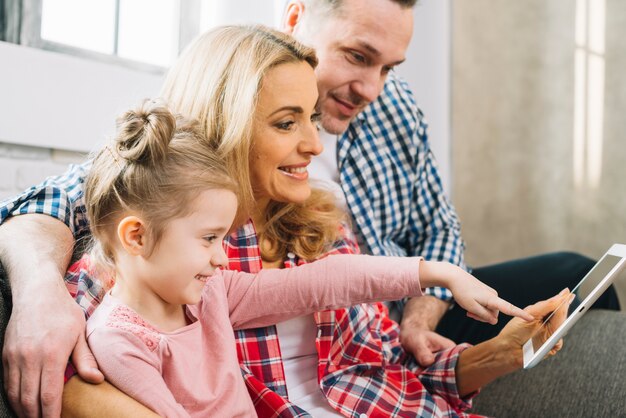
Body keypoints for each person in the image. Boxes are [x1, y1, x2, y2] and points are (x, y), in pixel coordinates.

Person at [0, 17, 622, 418]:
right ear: (228, 122)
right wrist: (34, 291)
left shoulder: (322, 227)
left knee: (570, 268)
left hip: (399, 405)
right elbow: (64, 209)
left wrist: (495, 353)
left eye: (311, 119)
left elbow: (385, 360)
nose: (316, 145)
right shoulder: (165, 252)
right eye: (286, 122)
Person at [82, 99, 521, 417]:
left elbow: (326, 280)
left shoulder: (213, 293)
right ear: (136, 237)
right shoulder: (119, 341)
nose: (221, 257)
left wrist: (439, 272)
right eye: (209, 238)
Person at [280, 0, 621, 363]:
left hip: (408, 311)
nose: (371, 90)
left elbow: (438, 228)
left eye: (387, 68)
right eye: (358, 57)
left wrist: (418, 320)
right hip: (343, 330)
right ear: (295, 20)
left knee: (578, 276)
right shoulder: (247, 127)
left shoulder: (392, 103)